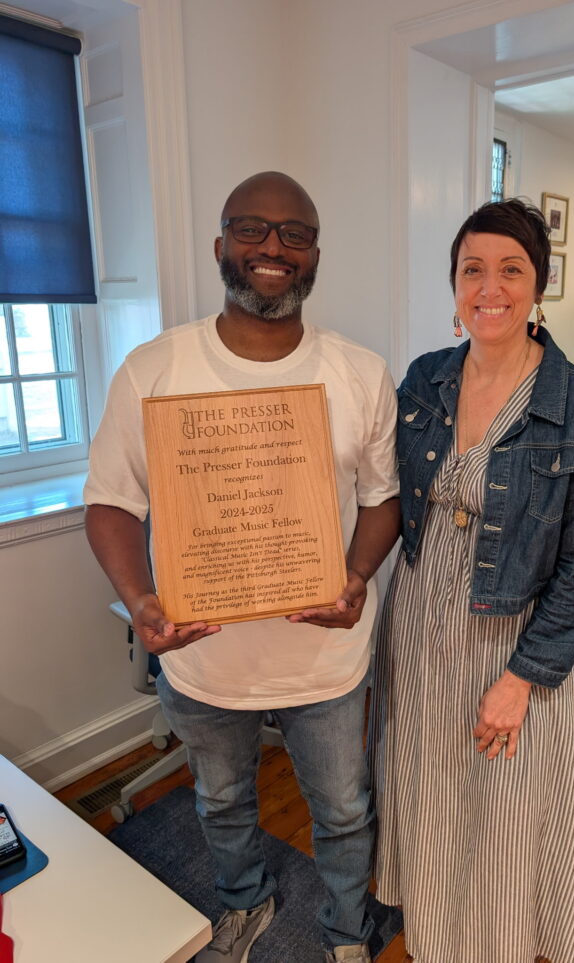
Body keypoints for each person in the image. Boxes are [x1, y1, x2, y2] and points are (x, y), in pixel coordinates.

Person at [84, 171, 400, 963]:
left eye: (293, 234)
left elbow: (382, 499)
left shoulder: (359, 373)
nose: (271, 248)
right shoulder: (152, 370)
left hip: (324, 657)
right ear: (221, 243)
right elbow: (111, 504)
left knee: (342, 809)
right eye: (252, 229)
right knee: (220, 802)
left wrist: (357, 575)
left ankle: (344, 933)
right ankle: (242, 904)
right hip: (202, 657)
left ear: (314, 254)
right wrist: (139, 596)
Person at [368, 198, 574, 963]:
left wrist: (522, 677)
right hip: (415, 622)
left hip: (510, 635)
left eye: (510, 269)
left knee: (501, 814)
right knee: (429, 792)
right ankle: (435, 943)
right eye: (472, 269)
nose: (490, 286)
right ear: (454, 285)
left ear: (537, 285)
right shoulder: (425, 379)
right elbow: (380, 495)